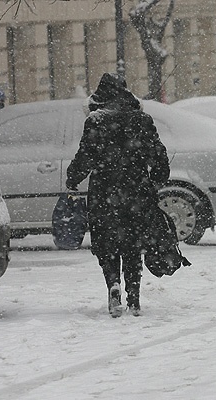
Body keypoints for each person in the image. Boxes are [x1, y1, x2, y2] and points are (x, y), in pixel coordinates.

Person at [66, 72, 170, 318]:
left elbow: (85, 156)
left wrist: (73, 178)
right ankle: (134, 297)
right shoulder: (142, 120)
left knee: (107, 243)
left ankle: (113, 286)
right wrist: (156, 179)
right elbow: (158, 155)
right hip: (137, 191)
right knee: (133, 244)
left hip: (104, 192)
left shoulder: (95, 121)